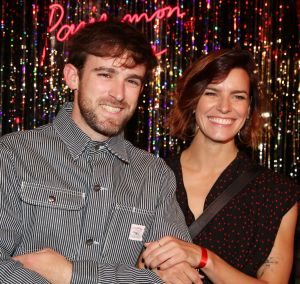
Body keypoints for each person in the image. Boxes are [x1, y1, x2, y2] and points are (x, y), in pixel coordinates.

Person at [0, 20, 203, 284]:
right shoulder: (14, 156)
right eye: (105, 75)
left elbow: (181, 280)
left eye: (131, 80)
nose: (118, 94)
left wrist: (69, 274)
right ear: (73, 76)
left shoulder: (153, 175)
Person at [140, 49, 300, 283]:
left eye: (238, 96)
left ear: (248, 109)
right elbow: (115, 263)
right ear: (193, 101)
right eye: (212, 93)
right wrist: (149, 270)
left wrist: (205, 258)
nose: (225, 107)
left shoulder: (276, 193)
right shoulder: (147, 175)